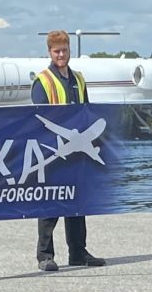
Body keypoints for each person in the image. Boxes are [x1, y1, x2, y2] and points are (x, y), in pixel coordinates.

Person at [30, 30, 105, 271]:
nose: (61, 55)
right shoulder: (42, 81)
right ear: (50, 52)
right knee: (50, 203)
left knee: (77, 202)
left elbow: (86, 111)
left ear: (69, 49)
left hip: (77, 153)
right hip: (54, 149)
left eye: (64, 50)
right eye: (56, 51)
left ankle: (78, 252)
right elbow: (39, 116)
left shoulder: (79, 79)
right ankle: (45, 255)